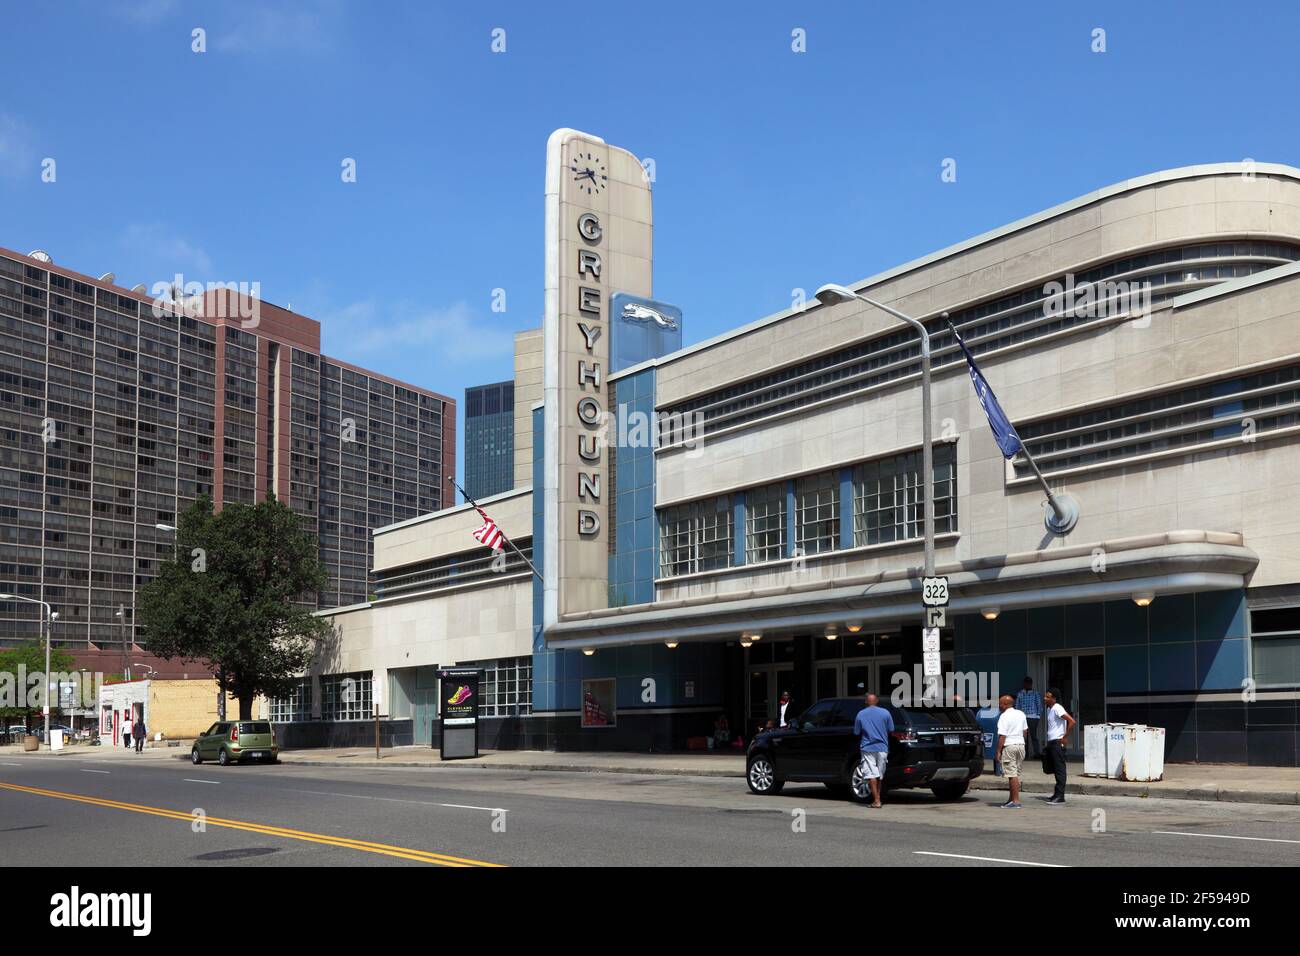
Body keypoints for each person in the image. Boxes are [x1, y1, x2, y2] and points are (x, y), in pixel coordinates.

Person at [853, 693, 894, 809]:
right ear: (877, 701)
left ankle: (877, 800)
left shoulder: (861, 714)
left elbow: (856, 732)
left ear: (866, 701)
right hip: (882, 748)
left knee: (871, 774)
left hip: (867, 748)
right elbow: (891, 729)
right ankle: (878, 798)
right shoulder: (886, 713)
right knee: (880, 775)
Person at [1042, 688, 1076, 805]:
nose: (1045, 698)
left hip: (1057, 742)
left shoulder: (1057, 707)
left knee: (1060, 770)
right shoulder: (1049, 709)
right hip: (1052, 742)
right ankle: (1056, 794)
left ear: (1054, 699)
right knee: (1055, 769)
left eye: (1048, 697)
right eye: (1045, 696)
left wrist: (1065, 737)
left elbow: (1072, 721)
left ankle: (1060, 796)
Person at [994, 693, 1028, 809]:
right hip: (1021, 745)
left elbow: (1002, 736)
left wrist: (998, 751)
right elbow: (1025, 732)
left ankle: (1016, 801)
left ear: (1005, 704)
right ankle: (1011, 799)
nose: (999, 706)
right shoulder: (1021, 714)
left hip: (1010, 746)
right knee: (1015, 774)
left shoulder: (1004, 716)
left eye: (1000, 704)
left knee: (1011, 774)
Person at [1015, 677, 1043, 758]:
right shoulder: (1020, 693)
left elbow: (1039, 706)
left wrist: (1037, 716)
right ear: (1024, 684)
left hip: (1033, 717)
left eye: (1029, 683)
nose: (1027, 685)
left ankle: (1036, 753)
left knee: (1033, 736)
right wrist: (1018, 717)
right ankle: (1025, 754)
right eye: (1026, 683)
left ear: (1031, 684)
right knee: (1024, 736)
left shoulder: (1035, 693)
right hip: (1022, 718)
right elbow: (1017, 706)